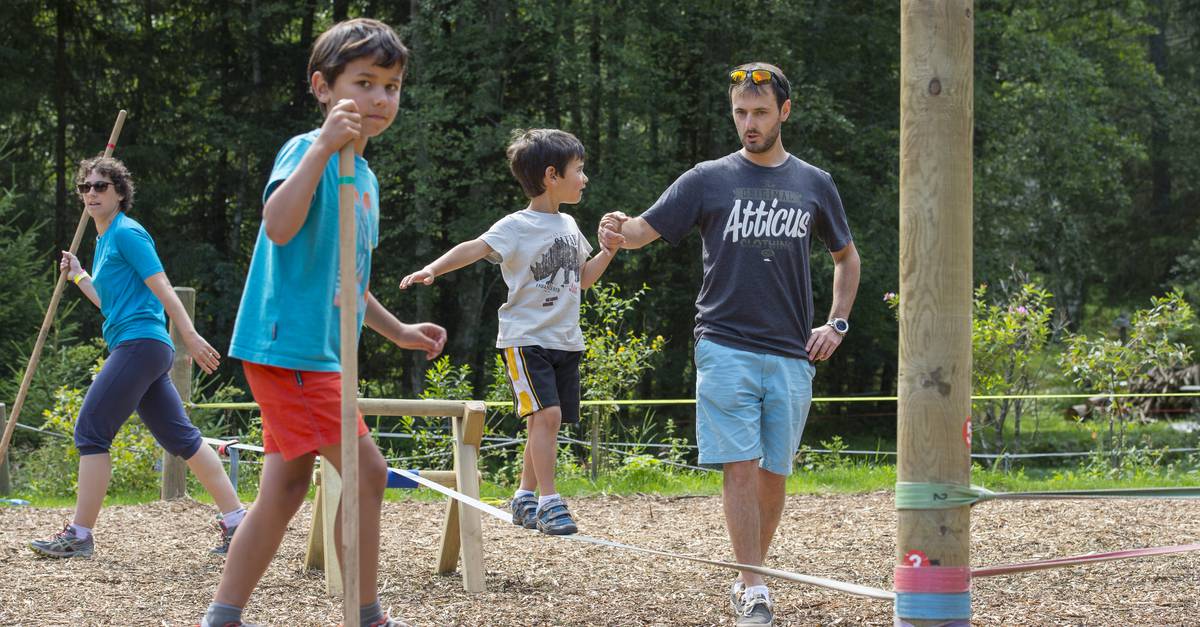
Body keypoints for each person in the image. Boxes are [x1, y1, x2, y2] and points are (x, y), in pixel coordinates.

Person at [198, 18, 446, 627]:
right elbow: (279, 225)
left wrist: (399, 332)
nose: (380, 98)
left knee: (284, 490)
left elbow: (348, 283)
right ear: (322, 87)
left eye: (391, 86)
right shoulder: (306, 150)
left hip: (317, 353)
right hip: (293, 350)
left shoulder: (367, 180)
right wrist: (322, 148)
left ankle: (222, 615)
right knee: (369, 473)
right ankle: (366, 615)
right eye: (364, 82)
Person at [599, 62, 861, 627]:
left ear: (784, 112)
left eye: (760, 112)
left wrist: (836, 324)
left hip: (792, 350)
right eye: (741, 112)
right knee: (739, 466)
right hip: (723, 343)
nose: (749, 123)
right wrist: (617, 229)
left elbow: (846, 257)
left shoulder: (814, 183)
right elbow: (643, 230)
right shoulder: (707, 178)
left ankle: (748, 575)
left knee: (774, 473)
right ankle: (754, 587)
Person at [400, 128, 618, 536]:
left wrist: (608, 251)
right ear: (552, 175)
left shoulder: (570, 224)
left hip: (565, 340)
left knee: (543, 422)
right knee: (547, 415)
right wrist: (432, 269)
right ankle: (550, 502)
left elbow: (583, 279)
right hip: (526, 339)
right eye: (579, 169)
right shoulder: (516, 225)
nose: (584, 178)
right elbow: (475, 247)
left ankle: (524, 496)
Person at [29, 156, 246, 559]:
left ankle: (79, 534)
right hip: (139, 347)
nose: (91, 193)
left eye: (101, 186)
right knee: (182, 438)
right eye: (85, 187)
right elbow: (108, 302)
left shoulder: (128, 233)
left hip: (140, 345)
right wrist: (78, 274)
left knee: (91, 431)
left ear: (120, 192)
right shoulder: (104, 240)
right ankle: (238, 522)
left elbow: (162, 286)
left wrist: (190, 335)